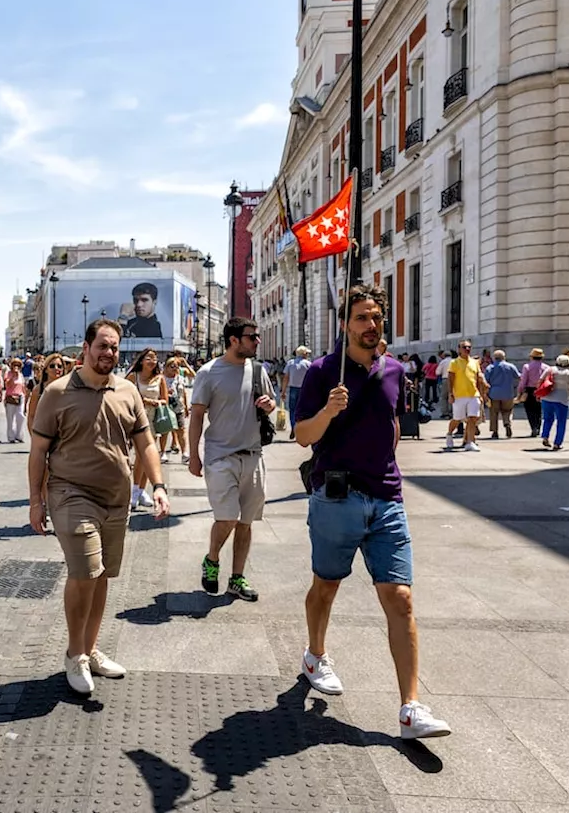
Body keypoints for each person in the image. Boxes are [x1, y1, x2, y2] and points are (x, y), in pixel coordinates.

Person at [293, 285, 451, 741]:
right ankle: (315, 656)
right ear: (345, 325)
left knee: (400, 598)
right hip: (336, 497)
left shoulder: (395, 370)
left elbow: (393, 424)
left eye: (376, 317)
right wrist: (329, 410)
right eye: (361, 317)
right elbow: (303, 435)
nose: (371, 325)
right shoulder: (323, 372)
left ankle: (410, 708)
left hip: (387, 498)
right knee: (326, 586)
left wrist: (386, 466)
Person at [29, 318, 170, 694]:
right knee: (86, 571)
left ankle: (90, 650)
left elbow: (146, 443)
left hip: (116, 498)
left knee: (103, 573)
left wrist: (157, 485)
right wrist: (35, 501)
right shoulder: (57, 393)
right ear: (86, 348)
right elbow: (39, 450)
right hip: (69, 494)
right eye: (102, 346)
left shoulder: (127, 391)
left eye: (114, 348)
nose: (109, 353)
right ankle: (74, 655)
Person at [188, 318, 276, 603]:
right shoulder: (208, 372)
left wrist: (269, 405)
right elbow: (197, 416)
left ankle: (237, 578)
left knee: (246, 521)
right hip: (220, 456)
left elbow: (272, 403)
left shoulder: (258, 370)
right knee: (227, 517)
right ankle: (212, 560)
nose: (257, 341)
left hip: (252, 454)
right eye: (252, 337)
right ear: (234, 340)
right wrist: (193, 455)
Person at [126, 348, 170, 509]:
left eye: (155, 358)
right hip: (137, 420)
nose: (152, 361)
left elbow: (165, 399)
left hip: (153, 419)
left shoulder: (160, 378)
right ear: (142, 360)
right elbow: (125, 396)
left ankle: (139, 491)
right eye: (149, 358)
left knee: (146, 457)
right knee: (140, 456)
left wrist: (154, 402)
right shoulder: (133, 377)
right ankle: (136, 490)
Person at [446, 339, 487, 452]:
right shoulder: (454, 363)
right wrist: (450, 393)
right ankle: (449, 434)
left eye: (469, 347)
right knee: (457, 419)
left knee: (472, 419)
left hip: (473, 395)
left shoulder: (474, 363)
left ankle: (470, 442)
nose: (467, 349)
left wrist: (481, 394)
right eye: (464, 347)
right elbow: (450, 379)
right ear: (459, 349)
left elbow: (478, 378)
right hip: (459, 395)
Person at [541, 354, 569, 451]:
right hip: (561, 400)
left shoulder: (549, 370)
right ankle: (557, 443)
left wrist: (539, 394)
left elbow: (540, 381)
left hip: (547, 398)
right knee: (561, 422)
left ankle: (545, 437)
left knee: (547, 419)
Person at [484, 350, 521, 439]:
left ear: (494, 358)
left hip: (494, 393)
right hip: (508, 393)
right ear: (504, 357)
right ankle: (507, 423)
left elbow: (485, 381)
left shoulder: (490, 367)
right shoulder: (510, 366)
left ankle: (495, 431)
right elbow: (518, 376)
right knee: (507, 410)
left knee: (494, 412)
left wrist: (485, 393)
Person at [27, 353, 66, 435]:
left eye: (60, 366)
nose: (56, 369)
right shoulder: (38, 389)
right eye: (52, 366)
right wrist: (33, 437)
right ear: (46, 369)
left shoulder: (68, 388)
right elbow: (31, 415)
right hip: (43, 433)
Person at [161, 357, 191, 462]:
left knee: (181, 430)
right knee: (165, 430)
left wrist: (186, 407)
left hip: (178, 408)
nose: (175, 368)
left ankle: (185, 453)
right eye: (172, 366)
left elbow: (184, 393)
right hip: (166, 408)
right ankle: (163, 452)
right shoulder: (161, 378)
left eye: (177, 366)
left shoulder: (180, 378)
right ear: (166, 367)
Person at [517, 349, 549, 437]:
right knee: (539, 410)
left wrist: (519, 391)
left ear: (531, 357)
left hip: (530, 390)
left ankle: (533, 427)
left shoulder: (527, 367)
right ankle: (538, 427)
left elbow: (523, 381)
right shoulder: (546, 367)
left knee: (530, 410)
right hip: (542, 390)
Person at [283, 346, 312, 439]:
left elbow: (286, 378)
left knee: (292, 409)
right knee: (304, 409)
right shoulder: (308, 364)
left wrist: (283, 391)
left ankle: (293, 427)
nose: (307, 355)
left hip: (293, 389)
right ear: (304, 354)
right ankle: (302, 429)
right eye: (306, 353)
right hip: (305, 389)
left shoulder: (290, 363)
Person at [3, 357, 27, 443]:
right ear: (11, 365)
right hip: (10, 397)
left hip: (20, 397)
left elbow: (23, 386)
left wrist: (26, 395)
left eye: (18, 365)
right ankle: (11, 437)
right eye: (14, 365)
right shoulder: (8, 373)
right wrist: (13, 376)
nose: (16, 366)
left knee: (20, 416)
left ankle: (19, 435)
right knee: (10, 418)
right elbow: (7, 385)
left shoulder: (21, 375)